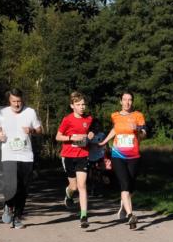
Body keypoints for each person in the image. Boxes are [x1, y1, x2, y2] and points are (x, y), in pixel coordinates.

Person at [0, 89, 42, 229]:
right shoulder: (0, 113)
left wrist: (32, 131)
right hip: (8, 154)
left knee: (23, 188)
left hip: (26, 155)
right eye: (14, 101)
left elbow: (40, 129)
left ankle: (17, 218)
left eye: (19, 101)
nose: (17, 104)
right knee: (11, 185)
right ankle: (8, 205)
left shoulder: (30, 112)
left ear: (23, 99)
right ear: (8, 101)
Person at [101, 91, 147, 230]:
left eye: (130, 100)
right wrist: (104, 142)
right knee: (124, 184)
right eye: (124, 99)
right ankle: (130, 215)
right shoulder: (115, 115)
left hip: (134, 156)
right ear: (120, 101)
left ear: (132, 102)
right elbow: (115, 129)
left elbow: (144, 134)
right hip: (118, 155)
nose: (127, 102)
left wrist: (138, 129)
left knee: (131, 185)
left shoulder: (138, 116)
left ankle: (123, 204)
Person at [56, 91, 94, 230]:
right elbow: (58, 136)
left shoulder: (89, 119)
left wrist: (91, 134)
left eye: (83, 104)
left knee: (82, 185)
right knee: (74, 187)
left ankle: (83, 216)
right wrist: (72, 138)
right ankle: (68, 194)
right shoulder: (67, 119)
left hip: (83, 155)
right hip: (68, 155)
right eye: (78, 104)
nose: (82, 107)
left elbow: (92, 130)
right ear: (72, 106)